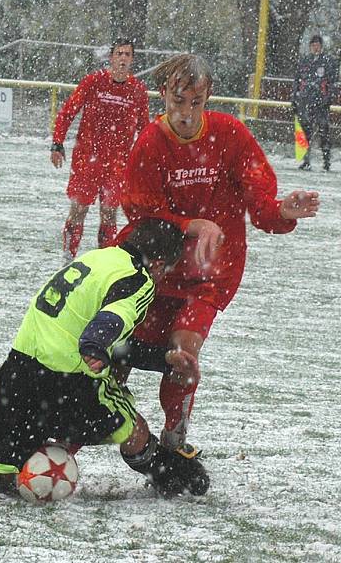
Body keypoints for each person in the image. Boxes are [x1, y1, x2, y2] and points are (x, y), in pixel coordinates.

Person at [0, 219, 210, 500]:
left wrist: (161, 359)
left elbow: (105, 338)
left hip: (15, 375)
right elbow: (113, 319)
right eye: (165, 270)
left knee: (2, 475)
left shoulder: (96, 258)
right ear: (157, 263)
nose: (161, 276)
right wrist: (96, 344)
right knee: (132, 427)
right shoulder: (138, 279)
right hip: (69, 384)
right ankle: (170, 474)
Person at [112, 54, 320, 457]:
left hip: (209, 277)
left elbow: (261, 205)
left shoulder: (231, 135)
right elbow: (139, 214)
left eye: (196, 102)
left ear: (208, 98)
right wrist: (191, 224)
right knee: (116, 356)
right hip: (155, 272)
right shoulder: (151, 143)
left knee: (183, 353)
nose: (187, 113)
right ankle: (102, 429)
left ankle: (174, 439)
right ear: (164, 96)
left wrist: (282, 210)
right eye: (178, 101)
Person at [50, 38, 149, 260]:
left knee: (109, 214)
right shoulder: (93, 82)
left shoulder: (138, 91)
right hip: (88, 159)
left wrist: (145, 161)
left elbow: (145, 130)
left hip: (118, 163)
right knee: (79, 210)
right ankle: (67, 258)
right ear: (112, 57)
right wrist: (57, 142)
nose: (123, 58)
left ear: (132, 59)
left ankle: (102, 262)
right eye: (119, 54)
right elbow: (68, 111)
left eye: (127, 54)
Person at [292, 34, 337, 171]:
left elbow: (331, 82)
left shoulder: (328, 61)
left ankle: (326, 161)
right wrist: (295, 97)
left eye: (317, 45)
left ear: (321, 46)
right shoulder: (304, 61)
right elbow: (298, 80)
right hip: (306, 101)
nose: (315, 47)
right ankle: (305, 160)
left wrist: (328, 98)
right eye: (313, 45)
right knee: (305, 132)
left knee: (324, 130)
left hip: (321, 102)